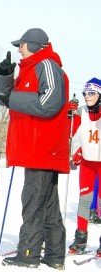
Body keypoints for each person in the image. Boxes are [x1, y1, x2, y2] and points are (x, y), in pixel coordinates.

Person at [0, 28, 69, 269]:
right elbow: (5, 98)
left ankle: (28, 253)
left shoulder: (47, 64)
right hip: (34, 150)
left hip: (42, 149)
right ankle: (55, 255)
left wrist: (13, 98)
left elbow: (50, 103)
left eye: (22, 44)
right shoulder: (28, 69)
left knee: (33, 201)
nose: (19, 49)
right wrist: (4, 76)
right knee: (47, 203)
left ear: (36, 45)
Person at [67, 78, 101, 253]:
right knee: (84, 201)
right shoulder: (82, 112)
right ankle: (80, 240)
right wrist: (70, 114)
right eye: (85, 93)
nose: (88, 97)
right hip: (88, 162)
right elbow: (71, 131)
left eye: (92, 93)